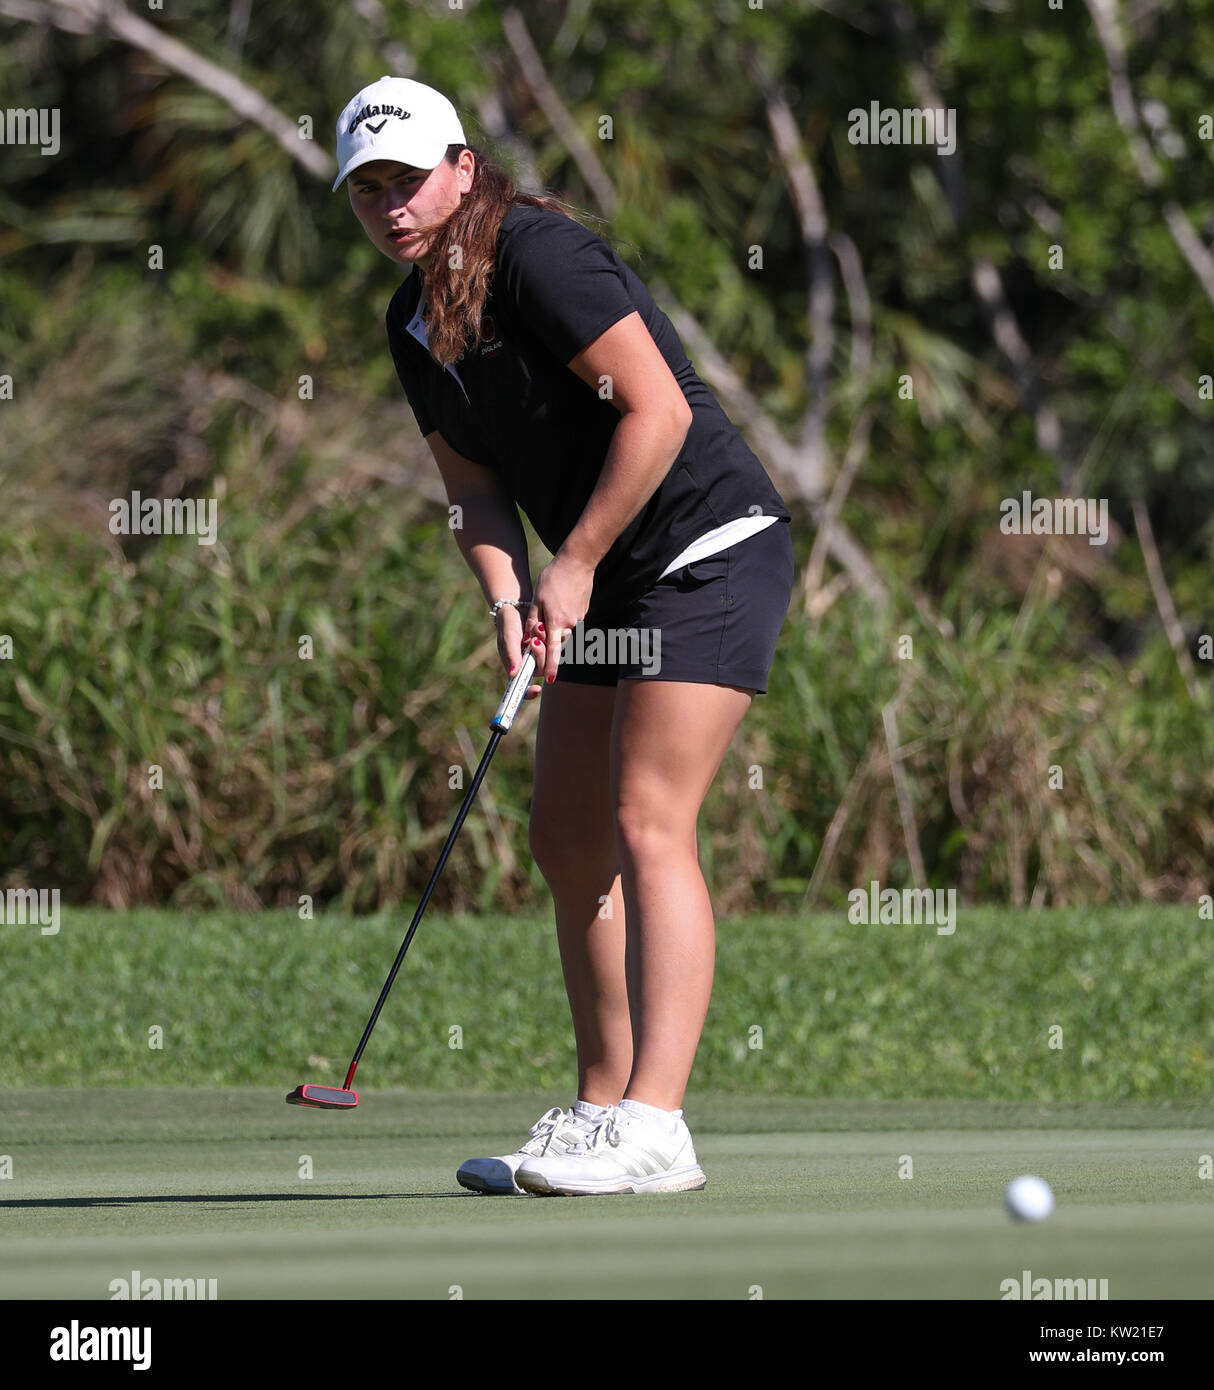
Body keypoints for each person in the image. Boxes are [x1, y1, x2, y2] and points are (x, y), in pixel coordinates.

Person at [334, 76, 796, 1195]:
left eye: (408, 180)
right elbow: (473, 492)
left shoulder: (538, 255)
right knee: (565, 832)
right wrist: (508, 595)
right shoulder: (411, 323)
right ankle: (598, 1110)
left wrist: (574, 562)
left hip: (703, 548)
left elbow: (661, 410)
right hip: (602, 575)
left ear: (461, 168)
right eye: (366, 190)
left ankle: (658, 1124)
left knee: (646, 817)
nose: (392, 206)